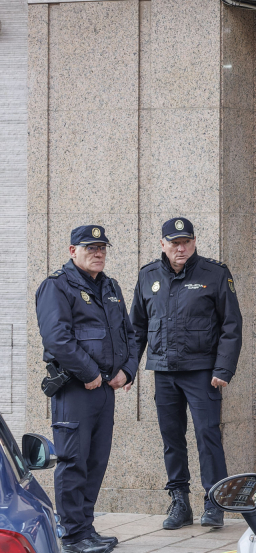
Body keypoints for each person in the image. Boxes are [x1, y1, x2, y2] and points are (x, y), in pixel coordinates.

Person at [130, 218, 243, 530]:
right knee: (172, 439)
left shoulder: (215, 274)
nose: (181, 248)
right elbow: (136, 329)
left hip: (202, 372)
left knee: (208, 436)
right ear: (163, 244)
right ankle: (180, 502)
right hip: (164, 373)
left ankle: (215, 502)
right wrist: (127, 370)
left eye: (187, 242)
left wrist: (223, 368)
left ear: (194, 242)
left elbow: (231, 325)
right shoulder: (148, 276)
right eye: (174, 242)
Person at [35, 225, 138, 553]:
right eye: (90, 247)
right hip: (76, 390)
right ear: (72, 251)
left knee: (95, 461)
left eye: (102, 248)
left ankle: (85, 528)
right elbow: (57, 339)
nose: (98, 253)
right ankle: (72, 535)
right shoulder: (57, 287)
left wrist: (128, 371)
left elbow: (130, 334)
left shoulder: (111, 286)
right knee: (73, 460)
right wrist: (90, 373)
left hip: (105, 389)